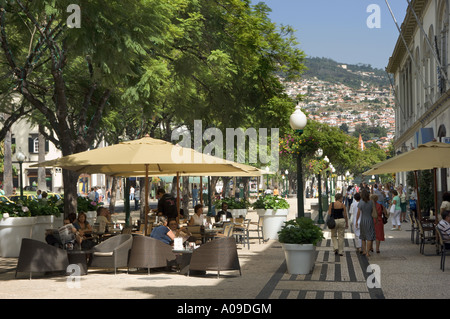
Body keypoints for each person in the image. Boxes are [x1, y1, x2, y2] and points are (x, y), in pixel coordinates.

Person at [356, 189, 376, 257]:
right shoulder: (371, 202)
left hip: (363, 220)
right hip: (370, 220)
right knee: (369, 236)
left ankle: (364, 251)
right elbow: (373, 210)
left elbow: (358, 213)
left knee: (363, 236)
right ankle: (368, 252)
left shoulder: (361, 202)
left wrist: (356, 221)